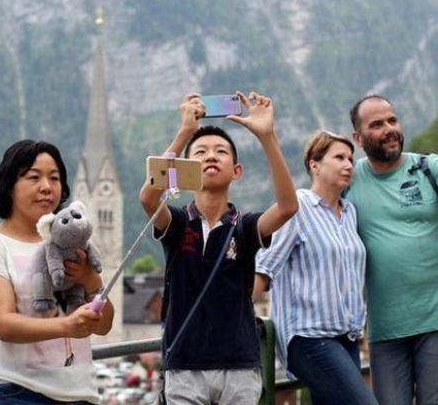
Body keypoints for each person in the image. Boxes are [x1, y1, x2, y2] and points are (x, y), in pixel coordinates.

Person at [138, 92, 298, 405]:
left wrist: (267, 136)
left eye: (221, 151)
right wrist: (184, 131)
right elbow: (148, 197)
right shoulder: (179, 222)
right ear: (185, 167)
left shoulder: (245, 226)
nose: (211, 155)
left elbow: (288, 206)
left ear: (236, 171)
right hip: (185, 364)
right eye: (200, 152)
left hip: (239, 365)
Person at [0, 139, 114, 405]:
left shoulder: (74, 246)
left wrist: (91, 280)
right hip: (20, 393)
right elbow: (3, 324)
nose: (46, 187)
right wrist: (67, 325)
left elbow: (103, 326)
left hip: (83, 393)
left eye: (54, 178)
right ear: (9, 185)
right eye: (34, 177)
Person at [253, 130, 377, 405]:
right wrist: (228, 314)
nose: (348, 164)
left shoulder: (350, 213)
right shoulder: (295, 207)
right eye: (339, 157)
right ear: (314, 164)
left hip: (347, 338)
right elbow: (264, 267)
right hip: (308, 337)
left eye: (350, 158)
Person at [344, 94, 438, 405]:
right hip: (385, 330)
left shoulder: (429, 169)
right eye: (377, 124)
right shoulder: (349, 179)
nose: (389, 129)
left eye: (392, 120)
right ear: (358, 138)